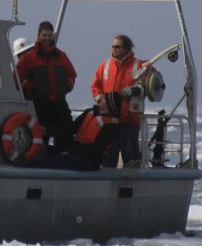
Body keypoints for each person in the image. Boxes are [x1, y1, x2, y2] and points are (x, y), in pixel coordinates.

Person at [90, 34, 153, 167]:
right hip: (109, 121)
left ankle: (133, 185)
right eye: (113, 47)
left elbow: (153, 83)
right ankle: (107, 184)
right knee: (108, 159)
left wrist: (150, 68)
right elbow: (95, 86)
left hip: (129, 120)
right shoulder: (105, 66)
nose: (114, 49)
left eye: (117, 47)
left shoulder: (139, 65)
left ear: (127, 48)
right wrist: (100, 99)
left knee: (131, 159)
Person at [16, 21, 77, 151]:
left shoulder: (61, 56)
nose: (47, 38)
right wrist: (32, 88)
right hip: (40, 105)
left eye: (50, 35)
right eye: (45, 35)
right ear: (38, 35)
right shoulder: (29, 58)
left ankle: (65, 161)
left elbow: (72, 74)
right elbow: (18, 77)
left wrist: (67, 86)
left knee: (66, 136)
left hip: (59, 104)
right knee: (39, 138)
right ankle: (40, 163)